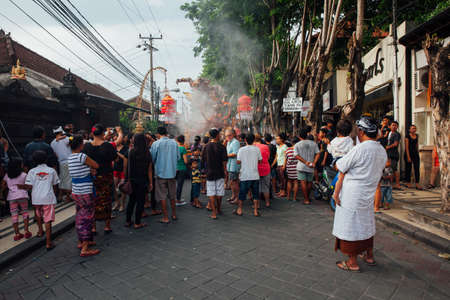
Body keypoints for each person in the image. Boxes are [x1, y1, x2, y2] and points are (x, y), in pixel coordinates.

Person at [332, 116, 387, 272]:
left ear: (361, 132)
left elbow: (340, 166)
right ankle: (369, 255)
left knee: (351, 225)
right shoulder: (381, 150)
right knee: (367, 224)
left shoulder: (359, 149)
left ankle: (352, 262)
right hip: (368, 193)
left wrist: (336, 194)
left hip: (352, 194)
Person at [67, 135, 101, 257]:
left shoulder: (70, 158)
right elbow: (96, 165)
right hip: (85, 190)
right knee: (87, 218)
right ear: (81, 145)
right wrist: (90, 169)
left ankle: (82, 241)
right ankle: (85, 248)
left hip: (76, 191)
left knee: (80, 216)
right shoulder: (82, 156)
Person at [82, 124, 117, 234]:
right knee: (106, 199)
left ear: (92, 133)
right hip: (106, 177)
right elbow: (114, 158)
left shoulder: (87, 147)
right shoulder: (107, 146)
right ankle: (107, 225)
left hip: (92, 177)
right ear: (103, 133)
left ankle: (93, 227)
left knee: (93, 201)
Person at [24, 150, 60, 250]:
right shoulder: (52, 170)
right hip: (48, 197)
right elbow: (55, 184)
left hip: (36, 198)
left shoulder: (31, 171)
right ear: (46, 159)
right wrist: (55, 195)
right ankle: (48, 242)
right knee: (48, 219)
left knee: (38, 215)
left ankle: (40, 231)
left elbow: (29, 186)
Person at [151, 126, 179, 224]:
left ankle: (166, 217)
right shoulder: (174, 143)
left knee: (162, 196)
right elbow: (178, 157)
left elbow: (152, 158)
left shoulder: (156, 144)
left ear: (158, 134)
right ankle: (174, 214)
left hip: (160, 174)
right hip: (172, 173)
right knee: (172, 195)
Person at [125, 133, 153, 229]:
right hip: (143, 180)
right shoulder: (147, 152)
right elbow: (149, 170)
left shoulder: (131, 152)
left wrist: (127, 179)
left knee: (131, 201)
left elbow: (128, 167)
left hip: (132, 180)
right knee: (140, 202)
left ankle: (128, 221)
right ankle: (137, 222)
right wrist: (150, 182)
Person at [1, 157, 32, 241]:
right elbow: (29, 186)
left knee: (14, 214)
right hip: (22, 196)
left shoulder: (7, 175)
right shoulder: (24, 175)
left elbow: (3, 185)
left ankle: (17, 233)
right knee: (25, 212)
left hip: (11, 197)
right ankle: (26, 231)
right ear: (19, 165)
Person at [202, 129, 228, 219]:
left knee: (211, 192)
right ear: (217, 135)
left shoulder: (206, 147)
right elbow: (224, 161)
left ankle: (213, 213)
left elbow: (203, 160)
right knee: (219, 192)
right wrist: (225, 171)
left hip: (209, 172)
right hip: (219, 172)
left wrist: (204, 171)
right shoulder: (222, 147)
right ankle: (218, 209)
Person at [236, 133, 262, 217]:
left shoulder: (241, 150)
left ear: (245, 140)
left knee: (242, 193)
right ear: (254, 140)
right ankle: (255, 211)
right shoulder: (257, 149)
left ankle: (239, 210)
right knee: (255, 194)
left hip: (245, 175)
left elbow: (238, 161)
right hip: (255, 175)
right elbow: (260, 161)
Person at [294, 129, 320, 205]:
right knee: (309, 182)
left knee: (303, 182)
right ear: (307, 135)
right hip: (311, 166)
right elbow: (318, 153)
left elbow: (296, 156)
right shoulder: (314, 144)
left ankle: (306, 199)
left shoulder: (297, 144)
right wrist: (314, 162)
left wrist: (305, 162)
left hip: (301, 166)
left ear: (299, 136)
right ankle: (307, 197)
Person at [50, 126, 72, 202]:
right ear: (61, 132)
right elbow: (73, 140)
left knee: (62, 179)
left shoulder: (52, 143)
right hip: (68, 161)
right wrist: (67, 136)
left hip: (60, 162)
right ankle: (68, 197)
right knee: (68, 179)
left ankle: (60, 196)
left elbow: (55, 153)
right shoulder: (66, 139)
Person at [112, 133, 129, 212]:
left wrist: (117, 153)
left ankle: (122, 204)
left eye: (117, 138)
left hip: (123, 169)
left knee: (122, 188)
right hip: (115, 169)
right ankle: (116, 202)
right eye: (114, 138)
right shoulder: (113, 148)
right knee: (114, 187)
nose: (115, 140)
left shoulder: (125, 148)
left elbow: (125, 158)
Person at [254, 134, 271, 208]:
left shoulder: (253, 147)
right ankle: (267, 202)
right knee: (266, 187)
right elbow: (268, 157)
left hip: (256, 168)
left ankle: (257, 205)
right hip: (266, 168)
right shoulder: (266, 146)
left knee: (256, 187)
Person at [404, 125, 422, 190]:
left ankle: (417, 183)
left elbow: (417, 145)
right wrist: (408, 156)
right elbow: (406, 147)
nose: (414, 129)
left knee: (417, 168)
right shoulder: (407, 136)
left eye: (415, 128)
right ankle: (408, 182)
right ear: (409, 130)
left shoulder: (417, 136)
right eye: (412, 128)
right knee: (408, 168)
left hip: (415, 154)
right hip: (408, 153)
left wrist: (418, 152)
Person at [225, 129, 240, 204]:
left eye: (229, 135)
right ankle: (233, 196)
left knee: (234, 182)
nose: (228, 137)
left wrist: (225, 155)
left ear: (233, 135)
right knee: (232, 182)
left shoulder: (235, 142)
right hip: (229, 165)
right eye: (226, 136)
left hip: (234, 165)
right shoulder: (228, 142)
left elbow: (235, 153)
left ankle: (237, 198)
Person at [385, 121, 401, 189]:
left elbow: (395, 144)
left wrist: (387, 147)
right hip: (388, 153)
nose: (394, 126)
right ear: (390, 126)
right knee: (389, 168)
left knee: (394, 169)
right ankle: (391, 183)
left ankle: (397, 184)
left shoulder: (397, 134)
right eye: (392, 125)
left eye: (395, 125)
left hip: (393, 153)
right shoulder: (389, 133)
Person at [285, 137, 299, 201]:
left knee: (289, 181)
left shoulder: (288, 150)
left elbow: (286, 159)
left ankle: (288, 197)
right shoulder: (299, 150)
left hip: (289, 168)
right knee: (296, 182)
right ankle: (294, 198)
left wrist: (284, 167)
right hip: (296, 168)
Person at [175, 135, 188, 206]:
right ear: (183, 140)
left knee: (176, 184)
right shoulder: (183, 149)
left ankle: (177, 198)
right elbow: (186, 161)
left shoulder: (175, 148)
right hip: (182, 168)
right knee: (180, 185)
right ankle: (178, 200)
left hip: (175, 168)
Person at [265, 133, 277, 199]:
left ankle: (270, 191)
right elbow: (276, 156)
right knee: (273, 178)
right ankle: (274, 191)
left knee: (269, 179)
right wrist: (273, 164)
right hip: (272, 164)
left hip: (268, 165)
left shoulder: (265, 147)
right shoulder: (273, 146)